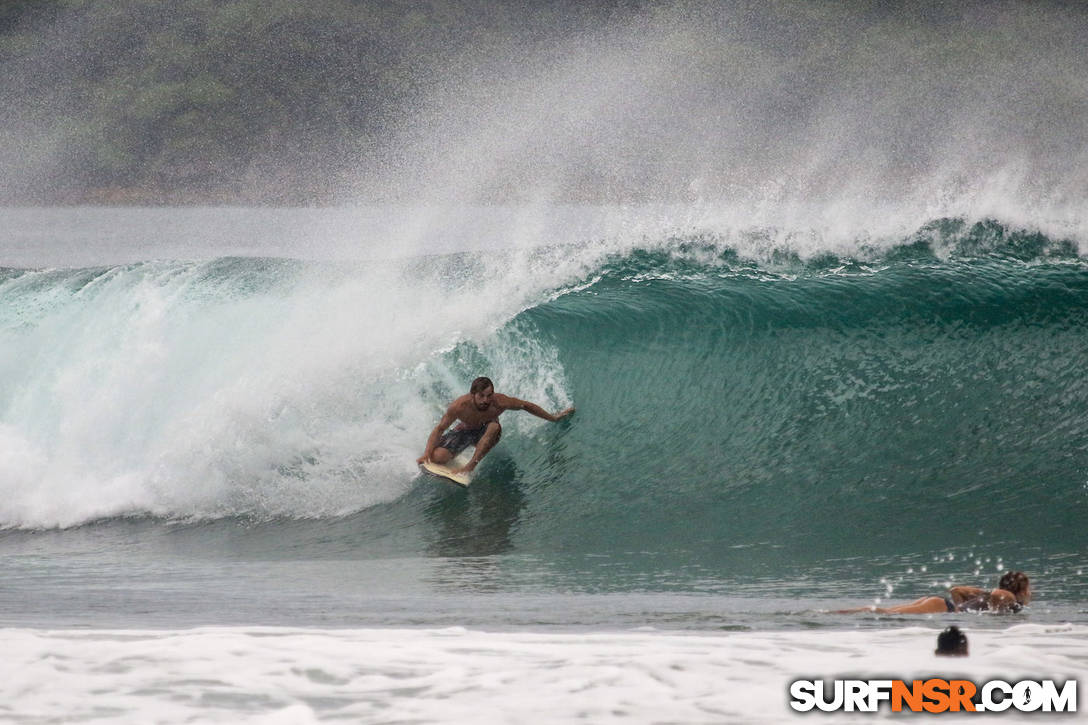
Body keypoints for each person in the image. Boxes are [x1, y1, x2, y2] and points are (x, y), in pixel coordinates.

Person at [417, 376, 575, 475]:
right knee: (437, 458)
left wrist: (553, 418)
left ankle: (470, 466)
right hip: (466, 430)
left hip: (489, 430)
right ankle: (457, 450)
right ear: (473, 395)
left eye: (489, 395)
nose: (486, 400)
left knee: (494, 426)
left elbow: (527, 406)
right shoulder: (459, 406)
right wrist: (426, 453)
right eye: (481, 396)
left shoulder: (499, 401)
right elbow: (439, 429)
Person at [835, 571, 1031, 614]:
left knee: (877, 610)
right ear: (1021, 589)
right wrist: (989, 593)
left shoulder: (995, 600)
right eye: (1029, 588)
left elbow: (956, 591)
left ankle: (829, 613)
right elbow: (998, 594)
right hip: (941, 606)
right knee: (880, 612)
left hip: (940, 603)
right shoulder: (1009, 599)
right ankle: (826, 614)